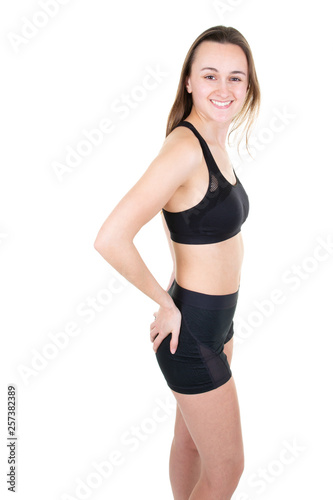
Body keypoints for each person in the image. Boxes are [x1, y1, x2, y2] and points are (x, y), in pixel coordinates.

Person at [94, 25, 260, 500]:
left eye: (236, 78)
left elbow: (179, 223)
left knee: (190, 443)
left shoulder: (212, 140)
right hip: (191, 330)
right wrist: (164, 304)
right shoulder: (186, 148)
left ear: (249, 86)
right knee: (227, 471)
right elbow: (111, 238)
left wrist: (175, 289)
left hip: (214, 320)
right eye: (210, 76)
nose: (223, 89)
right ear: (188, 81)